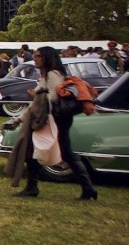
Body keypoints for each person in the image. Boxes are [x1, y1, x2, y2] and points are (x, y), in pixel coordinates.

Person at [17, 46, 98, 201]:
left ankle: (88, 189)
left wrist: (37, 94)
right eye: (34, 55)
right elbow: (37, 103)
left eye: (38, 56)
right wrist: (19, 118)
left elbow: (53, 98)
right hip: (52, 118)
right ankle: (32, 187)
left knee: (64, 152)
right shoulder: (46, 75)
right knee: (38, 150)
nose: (35, 58)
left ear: (47, 57)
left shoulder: (53, 74)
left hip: (56, 119)